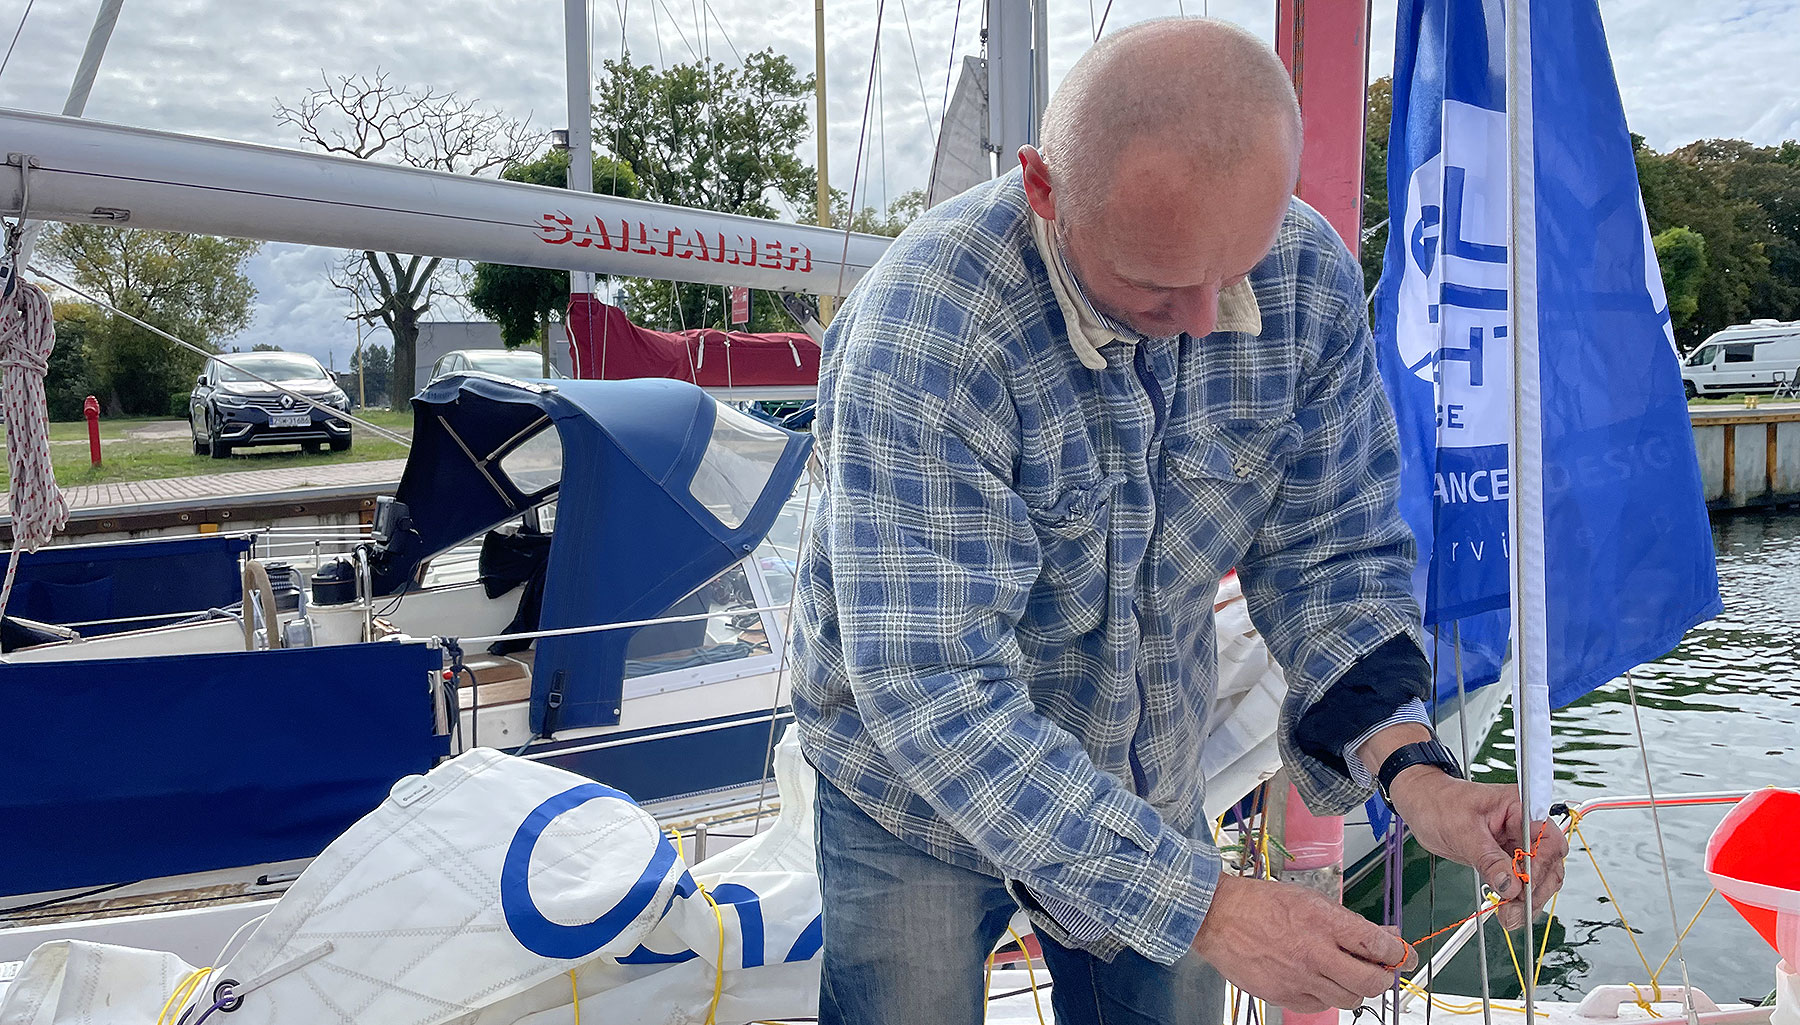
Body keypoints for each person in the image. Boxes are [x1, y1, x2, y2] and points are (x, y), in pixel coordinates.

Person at [790, 17, 1568, 1025]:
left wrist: (1417, 774)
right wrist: (1207, 905)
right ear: (1043, 188)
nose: (1205, 320)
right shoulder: (927, 329)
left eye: (1234, 268)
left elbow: (1332, 560)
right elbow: (934, 690)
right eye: (1157, 285)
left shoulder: (1305, 274)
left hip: (1143, 769)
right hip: (912, 803)